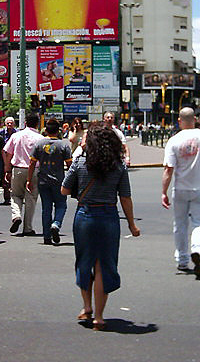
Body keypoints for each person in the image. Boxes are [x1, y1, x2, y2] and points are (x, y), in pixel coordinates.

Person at [61, 122, 140, 330]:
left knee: (85, 261)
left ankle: (87, 308)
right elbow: (125, 198)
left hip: (85, 216)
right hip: (109, 217)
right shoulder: (118, 165)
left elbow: (64, 190)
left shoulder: (79, 163)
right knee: (103, 265)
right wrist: (132, 224)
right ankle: (99, 317)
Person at [161, 107, 200, 276]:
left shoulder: (173, 140)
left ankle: (182, 259)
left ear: (179, 120)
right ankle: (198, 249)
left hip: (180, 188)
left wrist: (164, 191)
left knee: (180, 224)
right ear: (194, 119)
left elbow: (168, 169)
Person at [27, 118, 72, 245]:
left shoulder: (39, 144)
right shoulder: (63, 145)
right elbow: (70, 165)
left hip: (43, 180)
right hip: (58, 180)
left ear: (45, 130)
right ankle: (56, 224)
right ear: (58, 131)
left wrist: (29, 180)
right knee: (61, 205)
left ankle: (47, 236)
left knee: (46, 208)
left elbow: (32, 163)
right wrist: (73, 181)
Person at [3, 113, 44, 236]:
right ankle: (28, 228)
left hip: (18, 169)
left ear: (25, 122)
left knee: (15, 195)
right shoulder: (40, 138)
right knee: (31, 198)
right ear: (37, 124)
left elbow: (7, 152)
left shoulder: (16, 136)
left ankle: (16, 215)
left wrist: (7, 169)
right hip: (34, 170)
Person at [0, 117, 17, 205]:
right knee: (4, 178)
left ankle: (15, 196)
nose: (9, 125)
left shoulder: (17, 133)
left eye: (11, 123)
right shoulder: (0, 133)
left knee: (14, 178)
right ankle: (7, 197)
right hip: (3, 158)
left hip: (15, 158)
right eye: (8, 123)